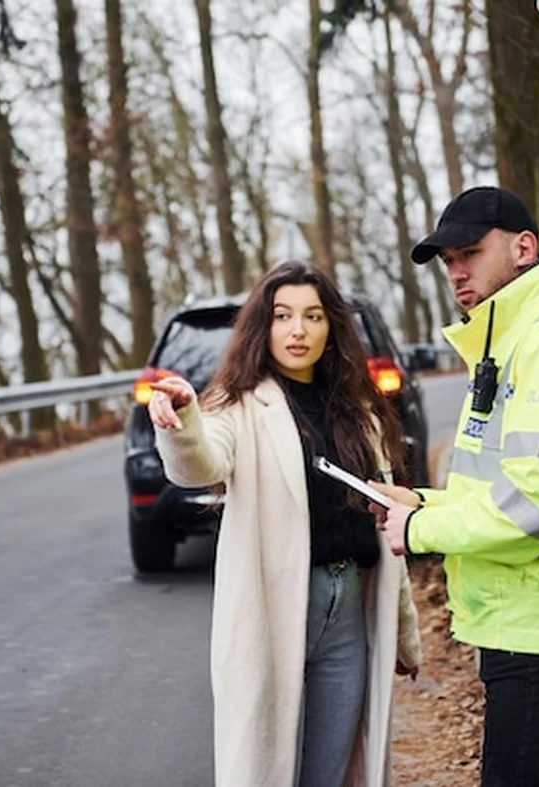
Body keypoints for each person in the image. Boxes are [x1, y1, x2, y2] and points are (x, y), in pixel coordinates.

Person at [370, 186, 539, 786]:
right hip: (526, 613)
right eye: (449, 261)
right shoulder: (516, 339)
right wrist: (421, 502)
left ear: (524, 248)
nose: (457, 272)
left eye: (470, 252)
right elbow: (510, 482)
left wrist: (421, 529)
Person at [147, 260, 424, 787]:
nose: (298, 330)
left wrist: (404, 633)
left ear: (331, 328)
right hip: (272, 615)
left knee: (330, 772)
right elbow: (198, 465)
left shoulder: (358, 410)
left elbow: (383, 519)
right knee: (269, 770)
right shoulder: (238, 404)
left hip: (348, 615)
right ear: (263, 326)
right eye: (282, 315)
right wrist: (183, 419)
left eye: (313, 316)